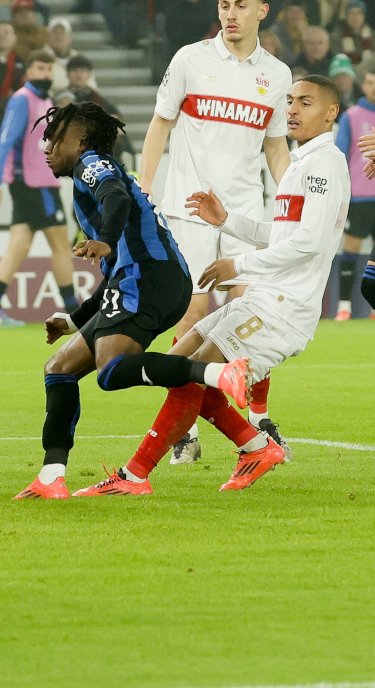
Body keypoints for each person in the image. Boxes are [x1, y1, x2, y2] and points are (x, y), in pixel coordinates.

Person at [74, 77, 349, 496]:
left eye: (305, 103)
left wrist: (237, 264)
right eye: (290, 101)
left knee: (193, 374)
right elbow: (282, 232)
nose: (292, 109)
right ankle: (256, 446)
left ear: (331, 112)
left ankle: (134, 476)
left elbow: (309, 243)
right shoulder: (300, 162)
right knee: (179, 363)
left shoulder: (325, 163)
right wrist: (227, 222)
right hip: (263, 297)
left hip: (284, 307)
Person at [138, 0, 293, 465]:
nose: (230, 14)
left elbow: (275, 149)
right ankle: (186, 432)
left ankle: (259, 423)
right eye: (224, 4)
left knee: (255, 315)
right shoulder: (189, 60)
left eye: (241, 5)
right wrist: (144, 190)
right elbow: (160, 126)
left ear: (262, 11)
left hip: (245, 212)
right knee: (192, 317)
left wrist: (291, 204)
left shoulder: (277, 75)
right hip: (189, 211)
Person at [13, 102, 197, 500]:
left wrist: (105, 240)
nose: (46, 147)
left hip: (149, 278)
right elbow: (113, 277)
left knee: (110, 369)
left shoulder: (91, 164)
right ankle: (51, 477)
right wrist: (75, 319)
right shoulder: (95, 172)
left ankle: (213, 373)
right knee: (59, 367)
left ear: (78, 141)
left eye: (54, 138)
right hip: (156, 279)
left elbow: (115, 197)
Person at [0, 50, 79, 327]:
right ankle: (74, 310)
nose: (45, 74)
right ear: (28, 71)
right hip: (35, 185)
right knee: (60, 244)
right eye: (39, 68)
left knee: (19, 246)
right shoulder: (22, 100)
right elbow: (4, 142)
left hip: (36, 183)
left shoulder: (45, 101)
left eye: (49, 69)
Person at [332, 68, 375, 319]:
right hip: (358, 195)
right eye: (370, 82)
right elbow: (341, 156)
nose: (373, 87)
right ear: (363, 84)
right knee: (350, 250)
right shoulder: (351, 116)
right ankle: (344, 307)